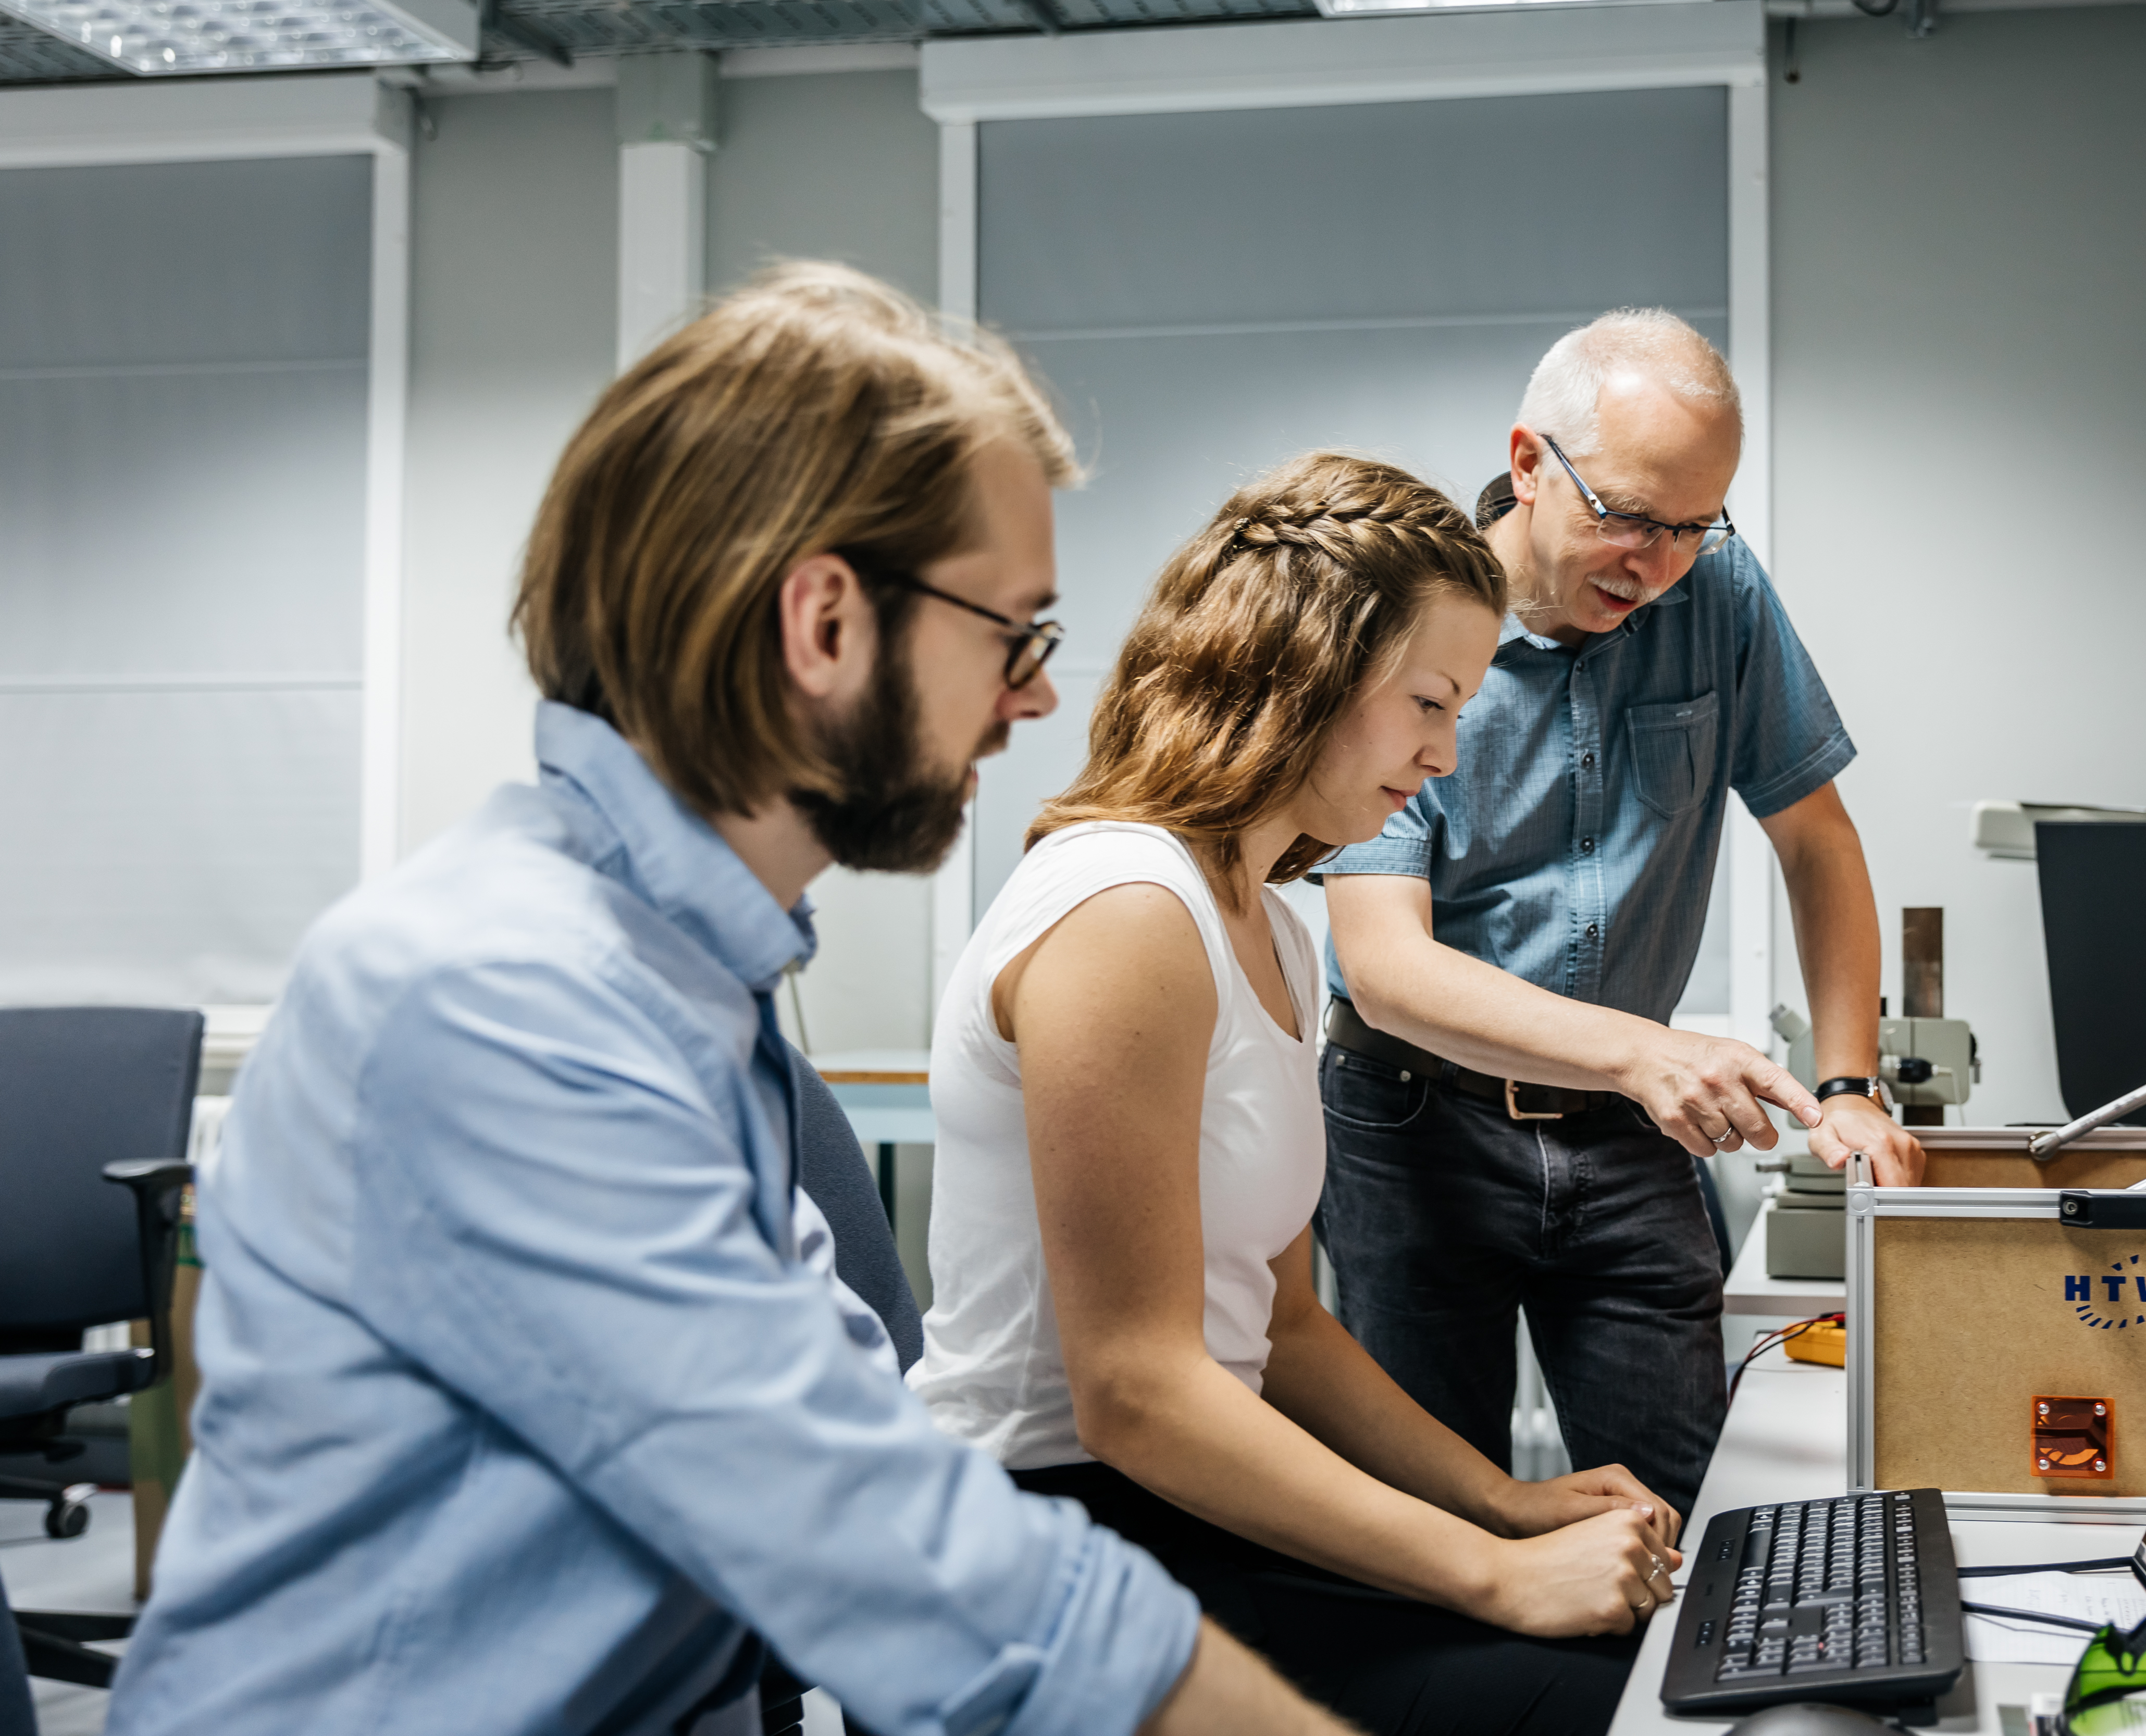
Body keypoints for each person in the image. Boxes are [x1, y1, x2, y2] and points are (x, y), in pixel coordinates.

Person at [107, 266, 1349, 1736]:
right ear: (824, 619)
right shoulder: (493, 997)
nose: (1030, 699)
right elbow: (888, 1546)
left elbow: (856, 1430)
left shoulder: (685, 982)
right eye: (1014, 631)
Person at [910, 453, 1683, 1735]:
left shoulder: (1271, 928)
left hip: (1181, 1505)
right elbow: (1135, 1386)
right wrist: (1495, 1573)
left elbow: (1285, 1328)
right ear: (1304, 669)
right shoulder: (1123, 909)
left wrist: (1501, 1501)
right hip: (1040, 1537)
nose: (1445, 755)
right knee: (1595, 1702)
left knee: (1640, 1661)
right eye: (1429, 702)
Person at [1316, 310, 1927, 1525]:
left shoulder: (1720, 595)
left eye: (1694, 527)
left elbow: (1818, 839)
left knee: (1696, 1509)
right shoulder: (1403, 627)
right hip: (1416, 1124)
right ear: (1531, 462)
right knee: (1434, 1518)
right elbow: (1382, 962)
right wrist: (1650, 1051)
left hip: (1623, 1128)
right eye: (1630, 517)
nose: (1656, 563)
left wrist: (1851, 1082)